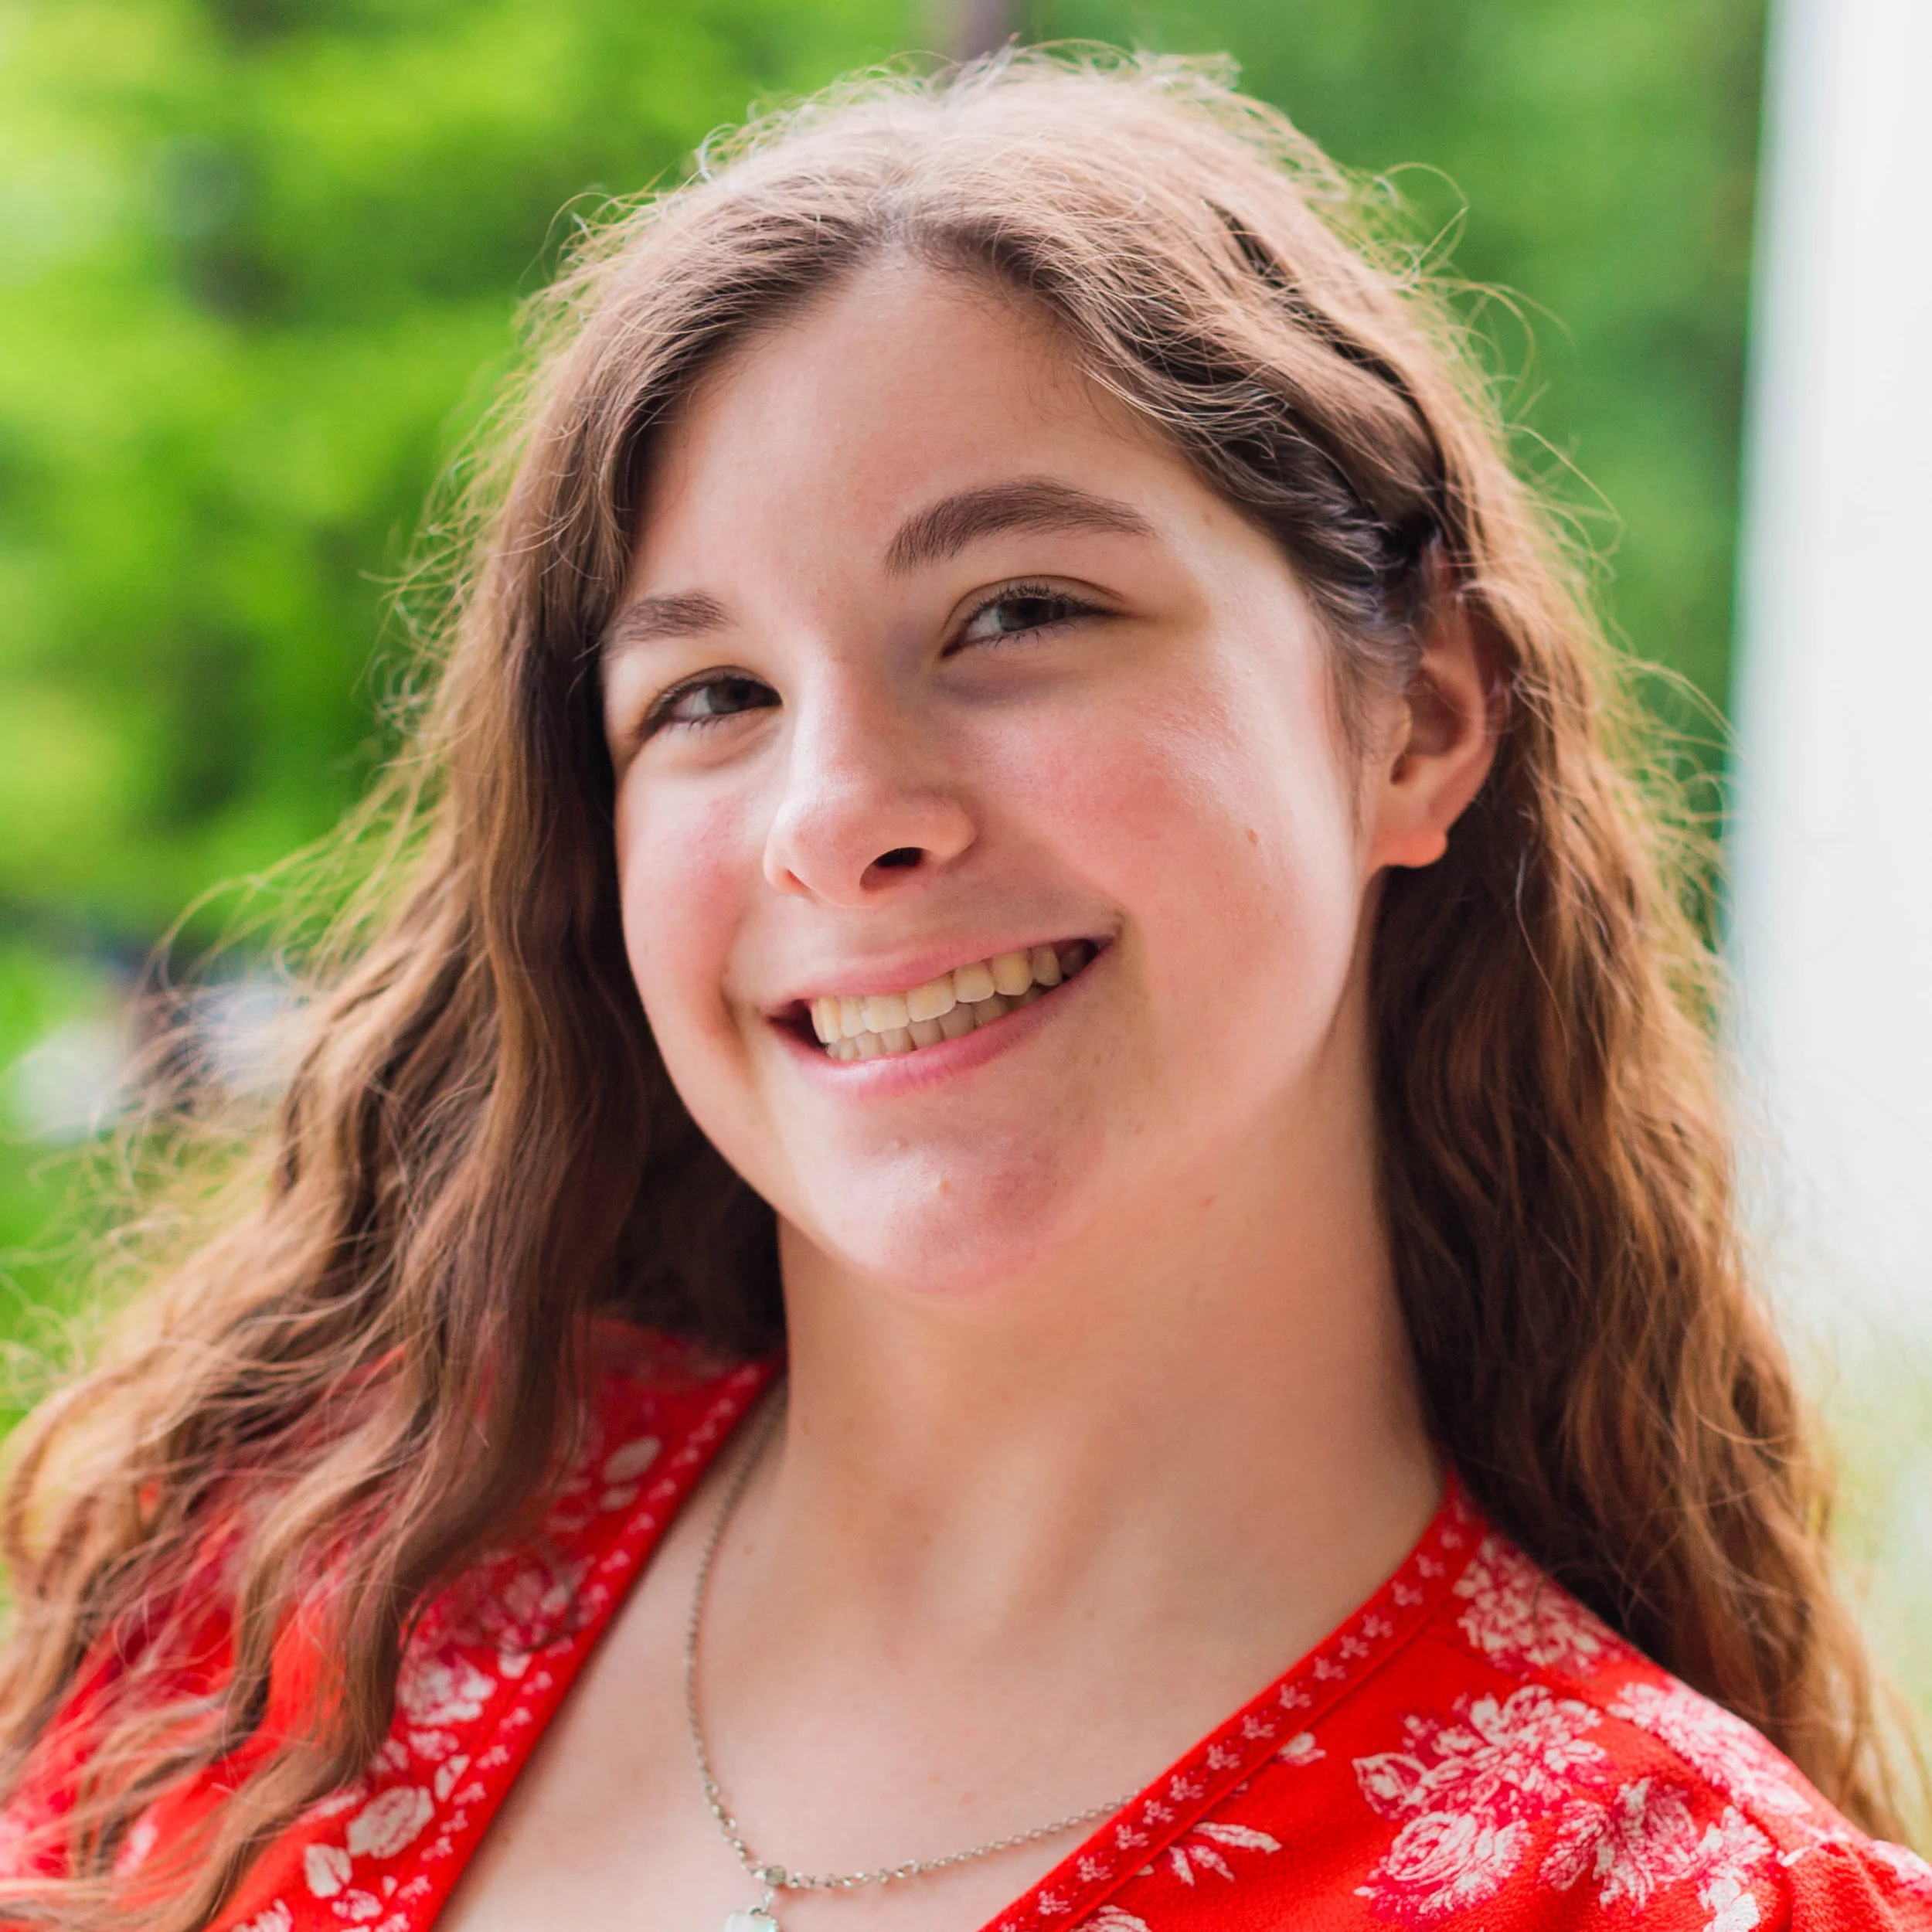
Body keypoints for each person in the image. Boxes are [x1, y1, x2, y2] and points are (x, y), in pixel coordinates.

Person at [0, 50, 1925, 1932]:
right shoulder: (291, 1598)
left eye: (1017, 612)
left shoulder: (1666, 1896)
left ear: (1419, 711)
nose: (836, 817)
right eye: (710, 695)